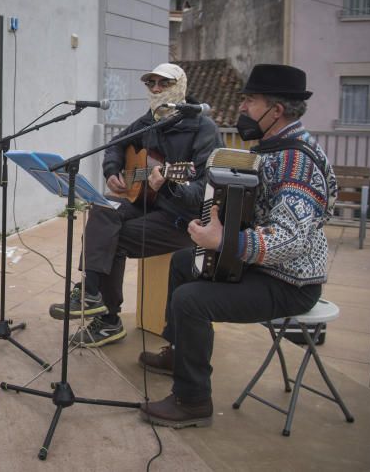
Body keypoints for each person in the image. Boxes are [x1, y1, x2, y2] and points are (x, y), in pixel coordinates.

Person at [139, 64, 338, 429]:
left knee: (191, 300)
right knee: (183, 262)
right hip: (263, 267)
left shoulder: (297, 161)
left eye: (249, 100)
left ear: (276, 110)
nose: (241, 108)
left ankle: (192, 400)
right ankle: (179, 353)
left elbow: (291, 238)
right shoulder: (272, 150)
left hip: (290, 282)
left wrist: (225, 241)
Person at [49, 63, 222, 347]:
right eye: (151, 83)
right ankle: (91, 294)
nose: (156, 89)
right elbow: (116, 144)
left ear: (180, 85)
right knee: (103, 206)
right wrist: (112, 170)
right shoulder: (149, 122)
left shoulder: (203, 128)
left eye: (163, 83)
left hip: (183, 219)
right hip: (147, 203)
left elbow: (206, 187)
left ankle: (108, 319)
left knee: (111, 239)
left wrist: (171, 185)